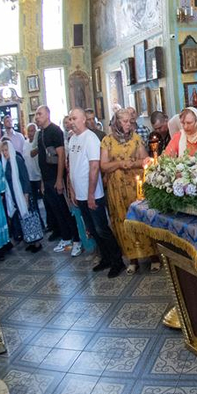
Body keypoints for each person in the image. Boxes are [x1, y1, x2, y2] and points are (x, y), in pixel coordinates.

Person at [67, 109, 125, 278]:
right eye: (70, 118)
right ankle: (106, 258)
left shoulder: (90, 138)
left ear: (83, 119)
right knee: (92, 229)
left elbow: (94, 167)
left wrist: (91, 194)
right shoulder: (72, 139)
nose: (71, 121)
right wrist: (72, 190)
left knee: (102, 229)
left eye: (75, 118)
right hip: (79, 194)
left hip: (93, 194)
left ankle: (117, 261)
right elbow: (71, 166)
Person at [101, 108, 158, 275]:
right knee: (123, 220)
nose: (128, 124)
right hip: (117, 189)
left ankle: (153, 256)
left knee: (141, 219)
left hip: (136, 186)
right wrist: (119, 164)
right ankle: (133, 259)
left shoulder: (136, 138)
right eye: (124, 122)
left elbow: (145, 160)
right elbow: (103, 165)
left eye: (130, 121)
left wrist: (130, 163)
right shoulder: (107, 141)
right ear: (117, 123)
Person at [34, 106, 82, 254]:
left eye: (39, 114)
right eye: (36, 114)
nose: (37, 117)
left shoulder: (55, 131)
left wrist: (59, 179)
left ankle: (76, 240)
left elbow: (61, 155)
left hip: (56, 178)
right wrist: (42, 181)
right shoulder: (40, 133)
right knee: (56, 211)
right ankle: (66, 238)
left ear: (47, 115)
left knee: (65, 210)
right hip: (47, 179)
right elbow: (42, 159)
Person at [0, 139, 42, 253]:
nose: (5, 153)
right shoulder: (7, 163)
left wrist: (26, 195)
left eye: (6, 150)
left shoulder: (17, 160)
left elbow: (25, 178)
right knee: (23, 219)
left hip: (23, 194)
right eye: (3, 151)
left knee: (30, 218)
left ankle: (37, 242)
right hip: (15, 195)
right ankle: (30, 240)